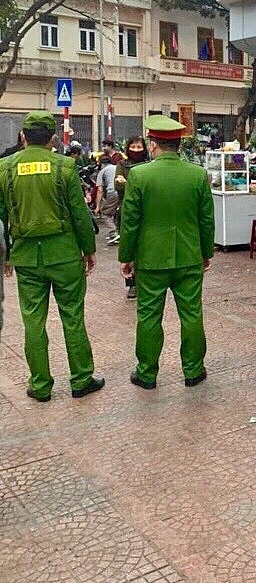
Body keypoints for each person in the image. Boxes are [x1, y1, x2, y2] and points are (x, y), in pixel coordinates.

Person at [0, 110, 104, 402]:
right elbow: (79, 215)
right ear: (53, 138)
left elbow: (0, 216)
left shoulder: (5, 168)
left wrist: (6, 254)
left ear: (22, 137)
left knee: (33, 321)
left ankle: (41, 385)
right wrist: (89, 249)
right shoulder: (65, 166)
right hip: (65, 255)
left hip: (26, 258)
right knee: (72, 317)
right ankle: (82, 379)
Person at [119, 114, 215, 390]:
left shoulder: (139, 175)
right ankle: (194, 371)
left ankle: (147, 373)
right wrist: (206, 251)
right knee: (192, 314)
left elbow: (131, 220)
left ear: (153, 144)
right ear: (178, 145)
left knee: (149, 316)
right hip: (189, 257)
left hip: (151, 260)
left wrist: (127, 256)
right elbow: (206, 219)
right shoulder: (197, 175)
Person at [114, 136, 149, 298]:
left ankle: (146, 278)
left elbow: (149, 188)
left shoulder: (149, 164)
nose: (136, 150)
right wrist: (133, 185)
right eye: (133, 147)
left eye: (139, 147)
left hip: (147, 211)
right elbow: (117, 185)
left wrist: (127, 183)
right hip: (126, 211)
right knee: (129, 246)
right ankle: (131, 282)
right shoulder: (122, 164)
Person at [95, 155, 119, 243]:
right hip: (123, 191)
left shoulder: (102, 171)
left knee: (105, 213)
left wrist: (98, 207)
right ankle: (118, 232)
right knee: (116, 212)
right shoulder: (117, 167)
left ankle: (113, 233)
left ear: (102, 164)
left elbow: (100, 190)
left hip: (112, 192)